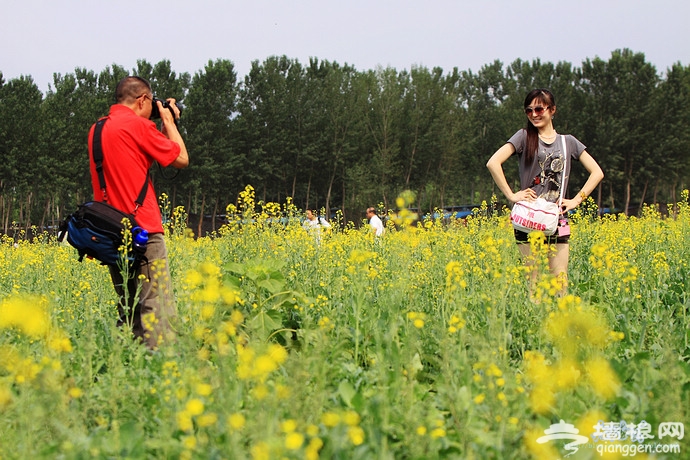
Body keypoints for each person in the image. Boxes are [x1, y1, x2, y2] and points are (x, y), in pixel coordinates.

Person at [88, 76, 189, 349]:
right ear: (143, 99)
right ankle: (161, 368)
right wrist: (167, 120)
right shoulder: (137, 126)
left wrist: (152, 117)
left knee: (129, 306)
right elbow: (181, 158)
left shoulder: (97, 128)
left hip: (110, 230)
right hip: (143, 230)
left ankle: (129, 366)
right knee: (157, 305)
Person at [486, 88, 603, 294]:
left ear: (552, 110)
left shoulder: (568, 142)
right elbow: (493, 163)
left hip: (557, 218)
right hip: (528, 219)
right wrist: (512, 195)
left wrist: (576, 200)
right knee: (534, 284)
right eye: (529, 110)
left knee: (560, 283)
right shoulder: (523, 137)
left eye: (539, 109)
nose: (534, 114)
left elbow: (597, 172)